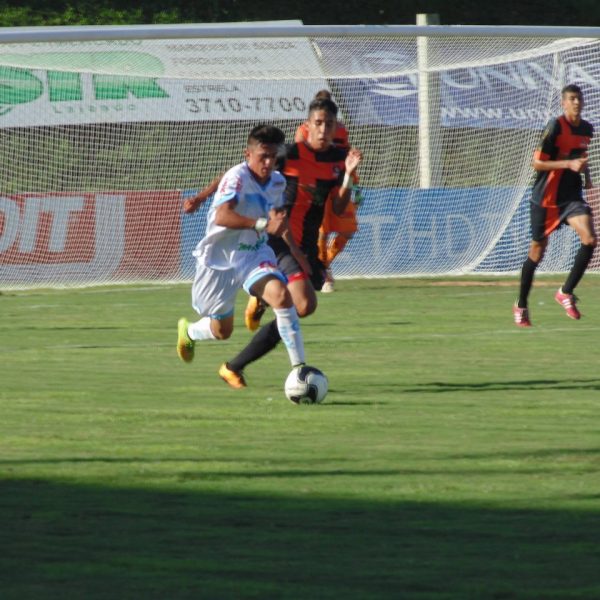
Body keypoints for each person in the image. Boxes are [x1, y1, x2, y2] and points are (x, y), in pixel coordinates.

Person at [218, 96, 362, 388]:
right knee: (303, 304)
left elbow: (337, 208)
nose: (323, 129)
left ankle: (256, 312)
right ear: (307, 125)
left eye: (329, 124)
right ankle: (238, 364)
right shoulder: (288, 154)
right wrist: (203, 196)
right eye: (318, 123)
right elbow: (245, 169)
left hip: (306, 244)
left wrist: (347, 176)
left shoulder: (340, 158)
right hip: (279, 239)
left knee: (301, 306)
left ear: (336, 128)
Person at [176, 124, 308, 384]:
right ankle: (189, 331)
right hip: (219, 259)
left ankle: (300, 370)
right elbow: (223, 215)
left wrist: (295, 251)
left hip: (252, 253)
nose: (269, 162)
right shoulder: (237, 177)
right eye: (263, 156)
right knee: (221, 331)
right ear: (248, 155)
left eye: (274, 156)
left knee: (282, 296)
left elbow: (276, 219)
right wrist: (260, 224)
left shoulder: (277, 181)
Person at [513, 83, 596, 327]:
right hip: (546, 198)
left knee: (590, 239)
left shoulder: (587, 129)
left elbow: (580, 156)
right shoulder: (555, 127)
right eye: (572, 99)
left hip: (571, 196)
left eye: (579, 98)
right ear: (563, 102)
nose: (577, 102)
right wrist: (567, 165)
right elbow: (537, 164)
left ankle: (565, 292)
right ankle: (521, 304)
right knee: (537, 253)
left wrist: (587, 175)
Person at [294, 89, 362, 293]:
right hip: (317, 183)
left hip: (340, 180)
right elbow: (299, 156)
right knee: (321, 230)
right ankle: (324, 274)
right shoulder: (303, 130)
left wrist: (353, 181)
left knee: (348, 230)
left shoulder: (340, 129)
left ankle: (324, 265)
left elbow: (346, 154)